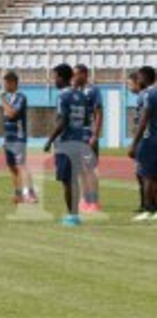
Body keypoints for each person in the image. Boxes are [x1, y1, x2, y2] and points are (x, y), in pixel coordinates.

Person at [43, 63, 89, 227]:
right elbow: (85, 121)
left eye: (55, 77)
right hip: (78, 140)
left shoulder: (63, 96)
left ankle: (73, 216)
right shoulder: (81, 96)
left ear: (61, 78)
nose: (53, 80)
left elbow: (63, 120)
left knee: (67, 180)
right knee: (73, 179)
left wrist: (49, 140)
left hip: (65, 142)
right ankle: (74, 213)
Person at [0, 71, 37, 204]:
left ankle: (31, 193)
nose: (4, 85)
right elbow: (5, 119)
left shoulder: (21, 97)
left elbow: (11, 114)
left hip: (18, 138)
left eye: (5, 83)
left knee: (21, 165)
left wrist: (2, 99)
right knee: (12, 167)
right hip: (9, 138)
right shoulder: (9, 98)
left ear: (13, 83)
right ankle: (18, 194)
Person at [127, 65, 157, 221]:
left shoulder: (147, 94)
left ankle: (148, 209)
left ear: (144, 78)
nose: (137, 80)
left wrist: (134, 143)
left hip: (149, 139)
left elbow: (144, 120)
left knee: (146, 175)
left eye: (138, 77)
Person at [72, 64, 103, 212]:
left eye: (76, 74)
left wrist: (95, 135)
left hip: (88, 134)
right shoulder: (74, 91)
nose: (74, 77)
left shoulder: (93, 90)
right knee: (79, 169)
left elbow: (98, 113)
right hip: (76, 135)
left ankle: (94, 201)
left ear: (84, 74)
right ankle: (85, 199)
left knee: (89, 168)